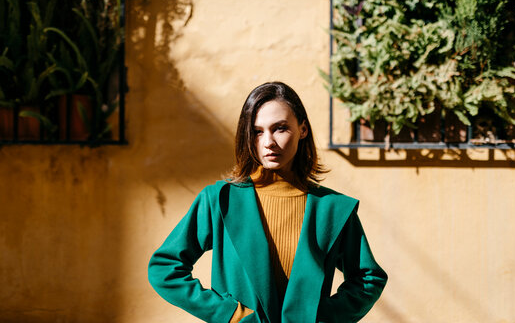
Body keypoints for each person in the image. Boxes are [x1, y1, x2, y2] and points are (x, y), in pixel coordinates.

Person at [148, 82, 387, 323]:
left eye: (280, 128)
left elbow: (368, 279)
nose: (268, 142)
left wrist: (322, 317)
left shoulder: (333, 209)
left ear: (302, 129)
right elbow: (165, 268)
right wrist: (229, 314)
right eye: (257, 131)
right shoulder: (220, 200)